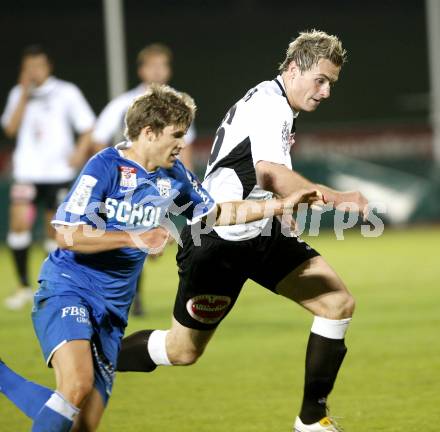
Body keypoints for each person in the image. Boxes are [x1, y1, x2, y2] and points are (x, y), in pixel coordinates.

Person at [0, 84, 321, 432]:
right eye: (176, 134)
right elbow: (65, 232)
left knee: (82, 424)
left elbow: (215, 214)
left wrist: (280, 205)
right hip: (69, 289)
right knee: (76, 385)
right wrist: (136, 237)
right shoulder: (105, 166)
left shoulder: (173, 176)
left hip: (113, 309)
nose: (182, 143)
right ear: (149, 133)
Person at [116, 30, 369, 432]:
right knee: (182, 351)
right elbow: (271, 174)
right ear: (292, 69)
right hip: (220, 239)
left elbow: (260, 172)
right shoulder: (270, 107)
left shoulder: (276, 103)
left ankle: (311, 419)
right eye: (319, 80)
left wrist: (284, 214)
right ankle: (98, 360)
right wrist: (339, 198)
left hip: (259, 231)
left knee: (336, 304)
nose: (325, 91)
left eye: (330, 84)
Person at [88, 42, 196, 316]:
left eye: (164, 65)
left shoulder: (178, 105)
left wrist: (188, 184)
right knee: (131, 240)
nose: (159, 71)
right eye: (154, 65)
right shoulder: (126, 103)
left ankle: (132, 296)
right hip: (125, 186)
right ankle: (124, 296)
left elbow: (186, 147)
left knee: (151, 242)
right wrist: (109, 171)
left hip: (161, 185)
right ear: (142, 70)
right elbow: (98, 136)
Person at [1, 45, 95, 310]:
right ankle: (21, 285)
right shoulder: (18, 94)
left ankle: (51, 285)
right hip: (27, 172)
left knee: (54, 230)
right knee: (19, 224)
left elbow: (87, 126)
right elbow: (10, 128)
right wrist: (22, 94)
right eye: (29, 67)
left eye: (38, 66)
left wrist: (79, 151)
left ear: (48, 66)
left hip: (58, 173)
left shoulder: (66, 92)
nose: (34, 71)